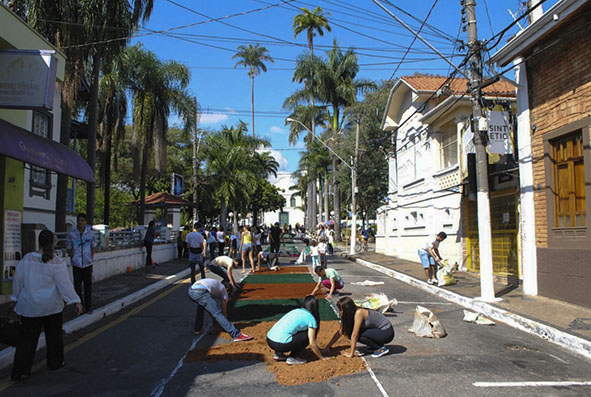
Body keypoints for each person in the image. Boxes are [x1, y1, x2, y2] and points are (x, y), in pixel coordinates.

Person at [10, 229, 84, 381]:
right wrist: (76, 300)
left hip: (29, 306)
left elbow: (18, 281)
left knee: (27, 339)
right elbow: (64, 285)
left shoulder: (27, 259)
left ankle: (20, 370)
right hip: (51, 306)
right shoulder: (57, 262)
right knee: (54, 336)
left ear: (39, 241)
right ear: (53, 243)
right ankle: (55, 362)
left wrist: (14, 298)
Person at [323, 297, 394, 358]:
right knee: (350, 332)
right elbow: (341, 331)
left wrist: (351, 354)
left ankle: (380, 348)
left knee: (356, 334)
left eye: (340, 310)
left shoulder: (359, 313)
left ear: (347, 309)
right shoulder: (350, 315)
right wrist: (328, 346)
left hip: (387, 332)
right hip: (378, 330)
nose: (340, 312)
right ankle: (376, 345)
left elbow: (355, 335)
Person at [266, 295, 326, 365]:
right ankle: (293, 357)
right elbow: (312, 343)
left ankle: (278, 354)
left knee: (289, 330)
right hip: (280, 345)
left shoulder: (296, 310)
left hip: (270, 340)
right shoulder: (311, 318)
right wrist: (321, 357)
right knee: (308, 335)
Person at [188, 278, 252, 341]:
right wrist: (225, 320)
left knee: (201, 307)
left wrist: (215, 321)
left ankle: (198, 329)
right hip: (200, 292)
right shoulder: (224, 290)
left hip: (191, 291)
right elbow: (223, 309)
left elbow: (210, 309)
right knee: (218, 313)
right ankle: (236, 335)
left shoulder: (216, 285)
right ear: (227, 290)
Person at [66, 213, 98, 312]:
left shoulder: (90, 233)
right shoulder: (72, 233)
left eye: (82, 220)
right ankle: (79, 306)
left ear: (86, 222)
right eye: (79, 220)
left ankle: (88, 307)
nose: (80, 222)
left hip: (87, 263)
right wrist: (73, 257)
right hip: (77, 264)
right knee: (77, 287)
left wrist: (91, 257)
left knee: (88, 287)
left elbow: (93, 246)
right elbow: (69, 247)